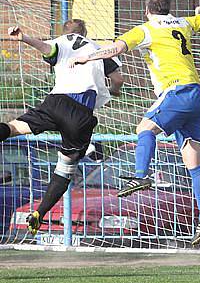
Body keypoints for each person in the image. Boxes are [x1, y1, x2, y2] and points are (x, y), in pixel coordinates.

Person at [69, 0, 200, 246]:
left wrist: (85, 57)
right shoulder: (183, 22)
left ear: (147, 11)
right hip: (197, 94)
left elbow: (115, 48)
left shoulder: (146, 29)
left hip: (176, 91)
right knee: (192, 156)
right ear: (168, 8)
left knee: (145, 128)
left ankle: (141, 175)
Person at [3, 19, 124, 235]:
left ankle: (39, 212)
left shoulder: (61, 42)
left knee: (13, 128)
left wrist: (24, 38)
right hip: (80, 113)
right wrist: (114, 91)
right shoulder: (99, 49)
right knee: (65, 168)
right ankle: (40, 212)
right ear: (86, 32)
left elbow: (47, 47)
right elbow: (118, 79)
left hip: (54, 103)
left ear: (64, 32)